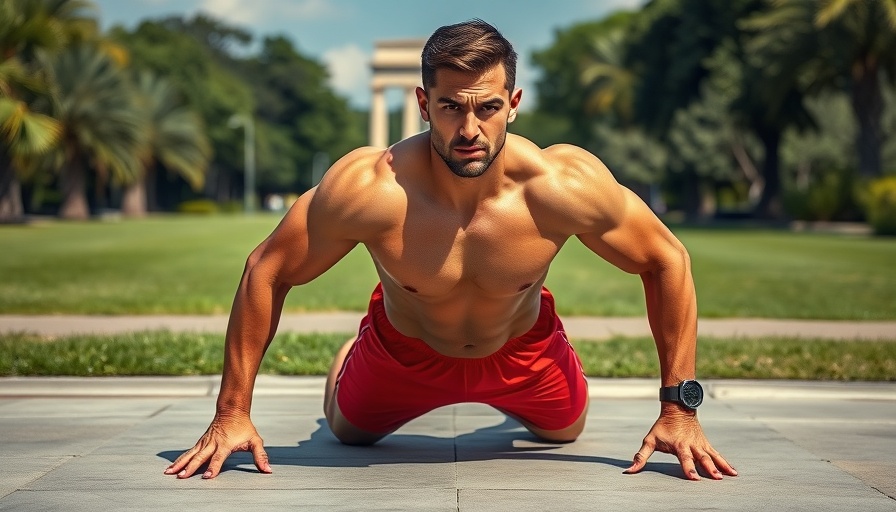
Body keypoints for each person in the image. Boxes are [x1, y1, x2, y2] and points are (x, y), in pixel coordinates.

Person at [165, 19, 736, 482]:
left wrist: (678, 410)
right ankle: (349, 357)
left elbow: (668, 259)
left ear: (513, 103)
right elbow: (265, 269)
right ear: (423, 102)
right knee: (346, 431)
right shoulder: (371, 189)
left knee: (566, 430)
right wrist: (231, 413)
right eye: (450, 107)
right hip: (403, 351)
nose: (469, 128)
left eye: (486, 107)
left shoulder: (560, 185)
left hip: (523, 351)